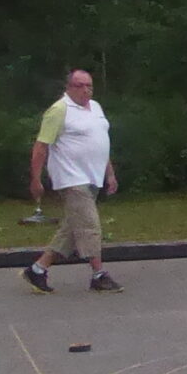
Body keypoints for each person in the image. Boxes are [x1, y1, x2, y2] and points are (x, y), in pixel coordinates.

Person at [22, 69, 121, 294]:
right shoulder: (59, 110)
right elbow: (41, 146)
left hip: (92, 176)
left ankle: (37, 270)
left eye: (89, 86)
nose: (85, 90)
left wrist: (110, 173)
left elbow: (100, 142)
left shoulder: (96, 107)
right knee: (89, 226)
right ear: (68, 87)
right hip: (71, 178)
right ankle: (98, 274)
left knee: (71, 229)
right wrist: (35, 179)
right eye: (79, 85)